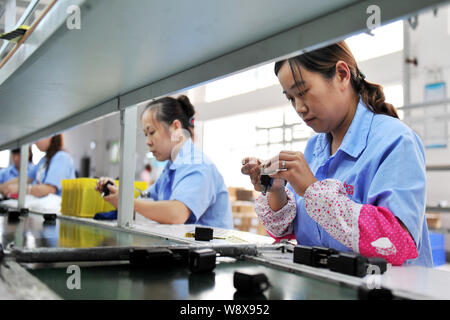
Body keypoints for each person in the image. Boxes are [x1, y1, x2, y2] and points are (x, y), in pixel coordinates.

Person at [241, 41, 432, 267]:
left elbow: (396, 243)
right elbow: (289, 229)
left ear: (342, 75)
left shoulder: (396, 141)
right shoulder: (314, 149)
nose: (299, 107)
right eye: (291, 98)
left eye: (303, 92)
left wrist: (313, 190)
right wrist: (276, 190)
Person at [96, 95, 233, 229]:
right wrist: (117, 192)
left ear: (175, 128)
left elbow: (176, 214)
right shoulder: (172, 167)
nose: (147, 141)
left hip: (212, 251)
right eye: (145, 134)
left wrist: (125, 201)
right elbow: (146, 201)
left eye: (151, 132)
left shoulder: (198, 165)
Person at [0, 134, 76, 197]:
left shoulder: (61, 157)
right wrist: (2, 187)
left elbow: (50, 189)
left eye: (38, 138)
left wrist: (21, 189)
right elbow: (25, 179)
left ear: (51, 136)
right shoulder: (44, 160)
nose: (35, 143)